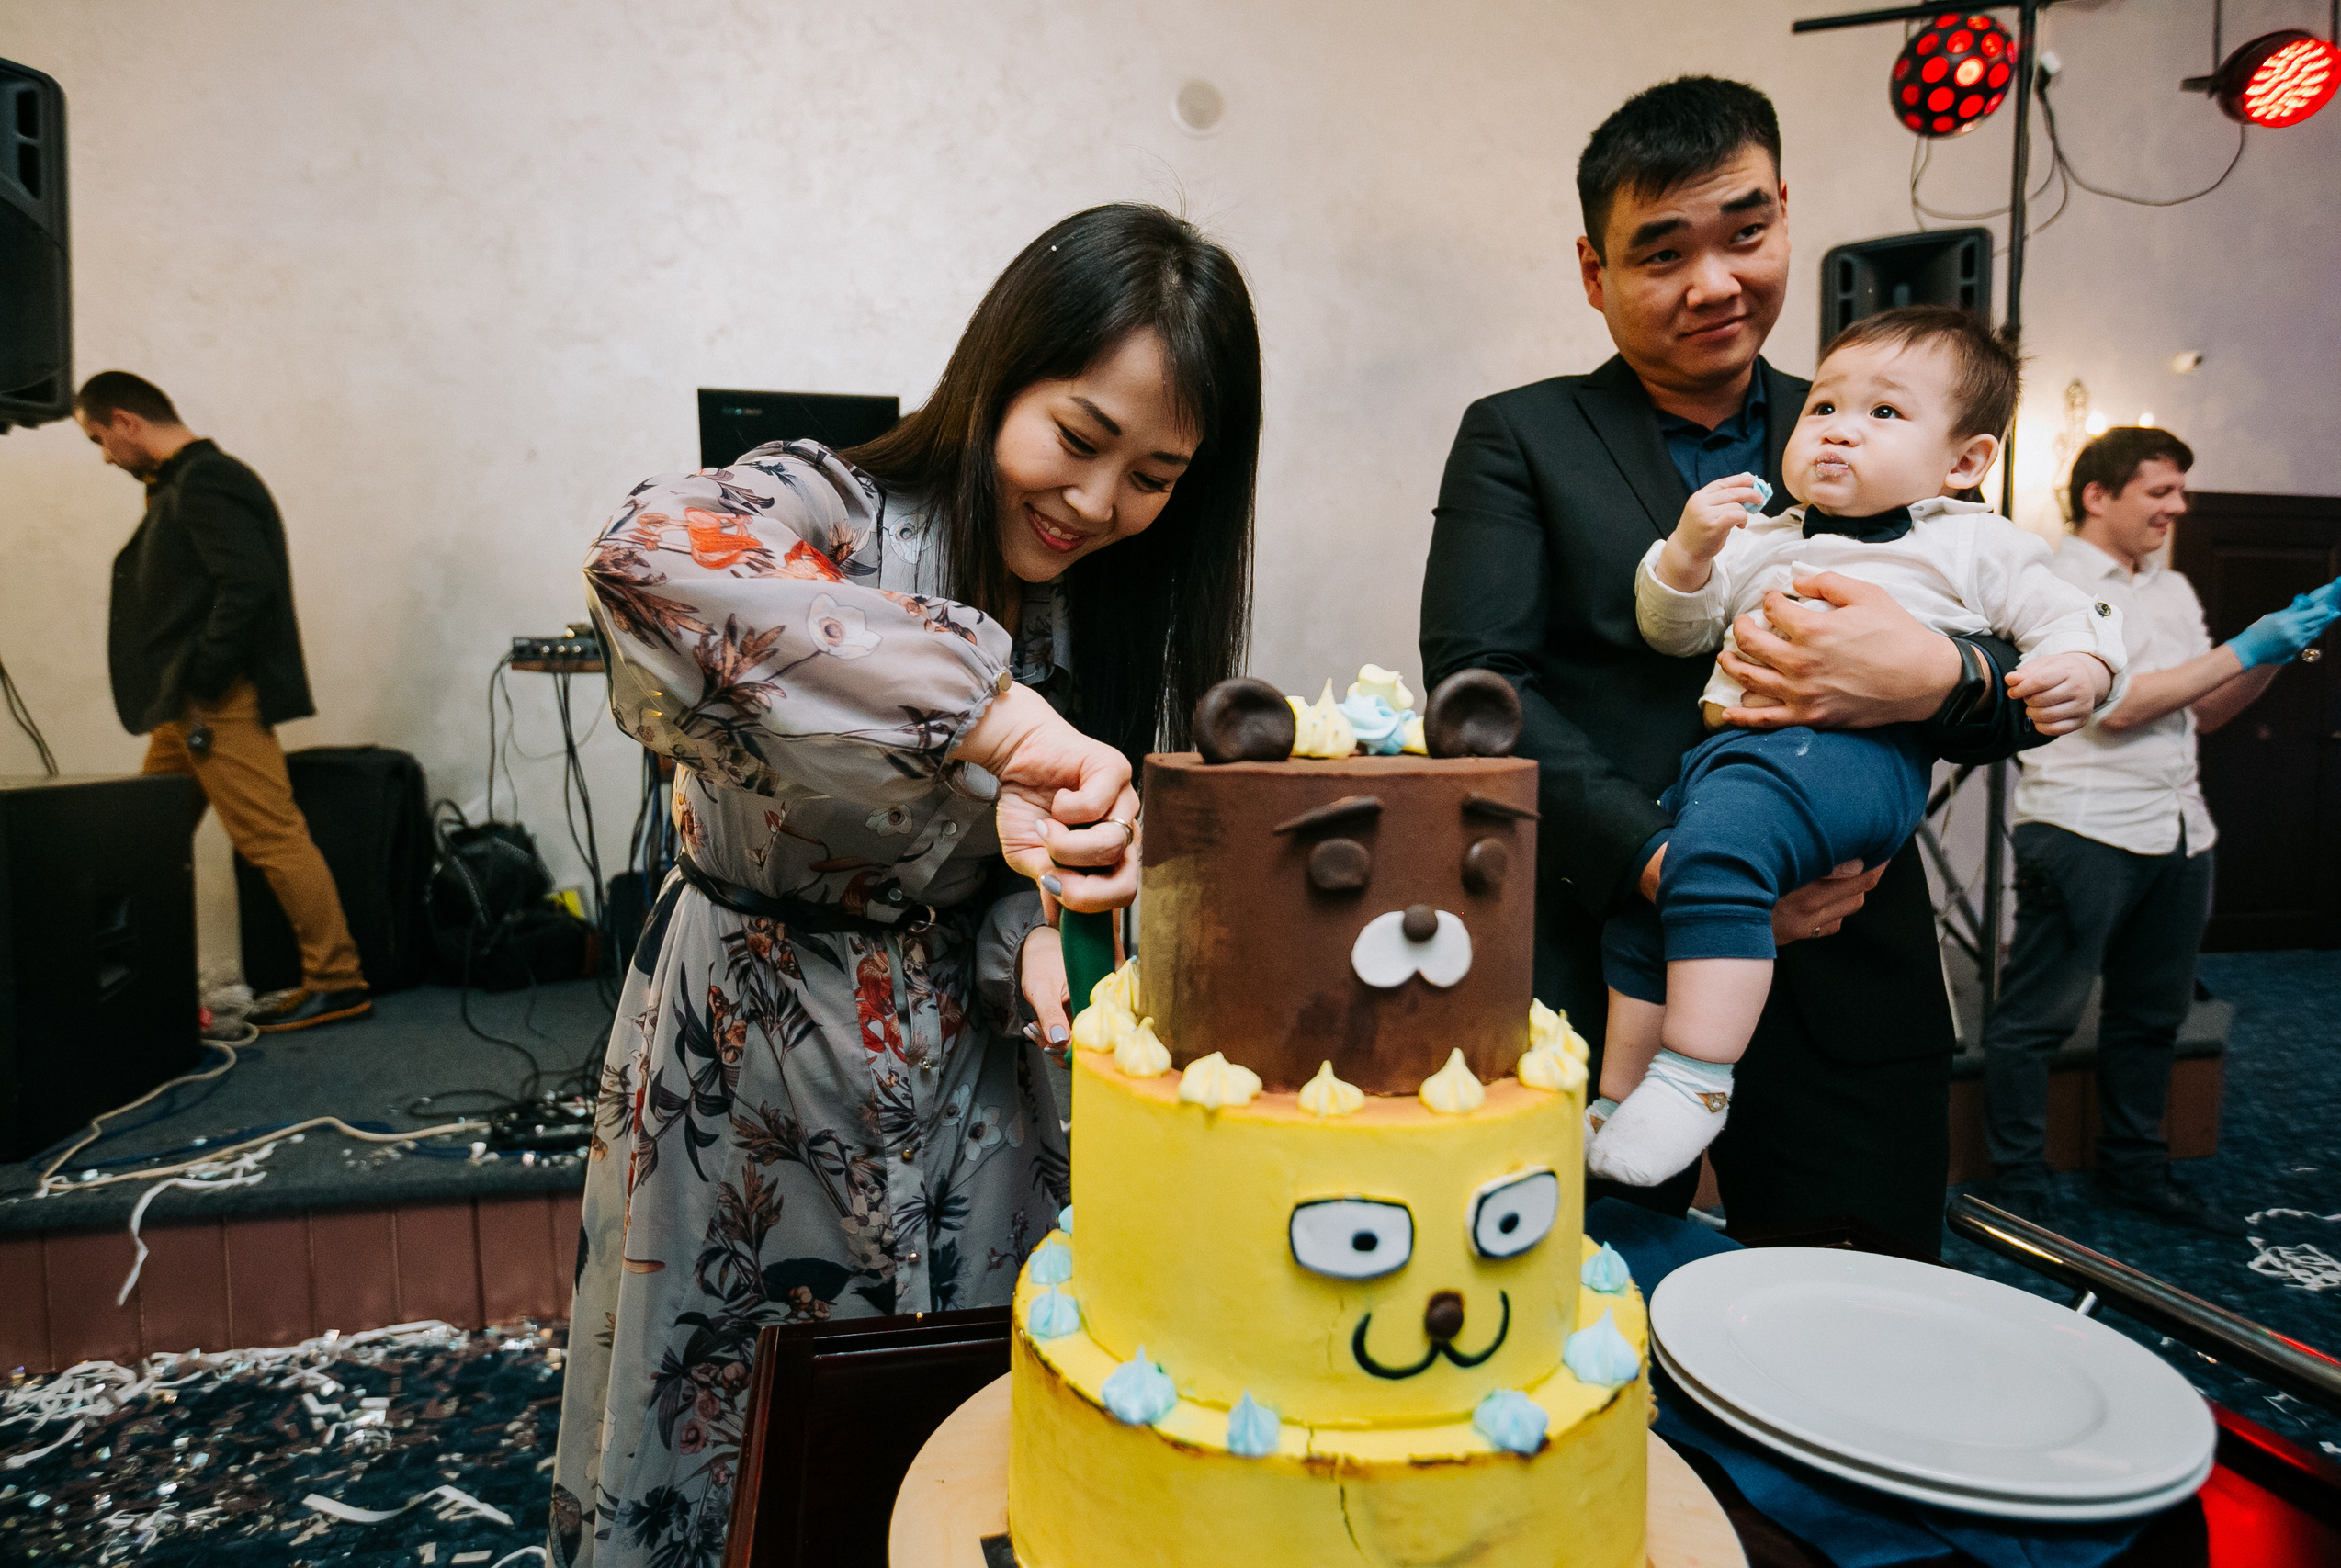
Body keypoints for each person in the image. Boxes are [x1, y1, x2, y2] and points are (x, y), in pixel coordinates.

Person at [550, 203, 1261, 1568]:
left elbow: (991, 873)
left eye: (1158, 475)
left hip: (981, 1080)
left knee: (961, 1422)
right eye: (1079, 437)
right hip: (752, 1052)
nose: (1101, 504)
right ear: (1000, 373)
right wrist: (1002, 725)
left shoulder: (1104, 603)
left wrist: (1047, 931)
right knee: (741, 1419)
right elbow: (643, 560)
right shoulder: (828, 499)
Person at [1419, 76, 2047, 1256]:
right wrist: (1675, 869)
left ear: (1785, 218)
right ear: (1594, 273)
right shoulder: (1520, 435)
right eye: (1661, 254)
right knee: (1582, 1303)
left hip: (1852, 970)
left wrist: (1930, 677)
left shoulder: (1879, 417)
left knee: (1854, 1322)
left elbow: (2018, 639)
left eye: (1745, 234)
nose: (1715, 282)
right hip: (1612, 958)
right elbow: (1477, 692)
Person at [1589, 307, 2124, 1186]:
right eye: (1825, 406)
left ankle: (1696, 1078)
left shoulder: (1969, 540)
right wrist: (1687, 553)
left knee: (1716, 857)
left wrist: (2085, 665)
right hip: (1731, 760)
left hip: (1851, 761)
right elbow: (1672, 632)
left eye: (1883, 414)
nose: (1839, 428)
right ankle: (1617, 1102)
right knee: (1646, 908)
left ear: (1964, 462)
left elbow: (2073, 613)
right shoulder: (1763, 538)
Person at [1984, 427, 2341, 1235]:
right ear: (2097, 496)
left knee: (2152, 1015)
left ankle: (2134, 1169)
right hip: (2082, 829)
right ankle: (2015, 1184)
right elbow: (2118, 707)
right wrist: (2245, 645)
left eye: (2181, 489)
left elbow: (2207, 710)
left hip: (2181, 829)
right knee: (2038, 1017)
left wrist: (2276, 653)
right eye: (2160, 491)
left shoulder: (2172, 588)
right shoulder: (2051, 580)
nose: (2179, 506)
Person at [76, 371, 370, 1032]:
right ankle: (138, 986)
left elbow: (247, 584)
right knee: (143, 842)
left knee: (272, 835)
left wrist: (205, 677)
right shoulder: (180, 484)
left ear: (127, 420)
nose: (102, 454)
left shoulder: (208, 480)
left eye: (98, 437)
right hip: (184, 706)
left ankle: (338, 977)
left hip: (212, 702)